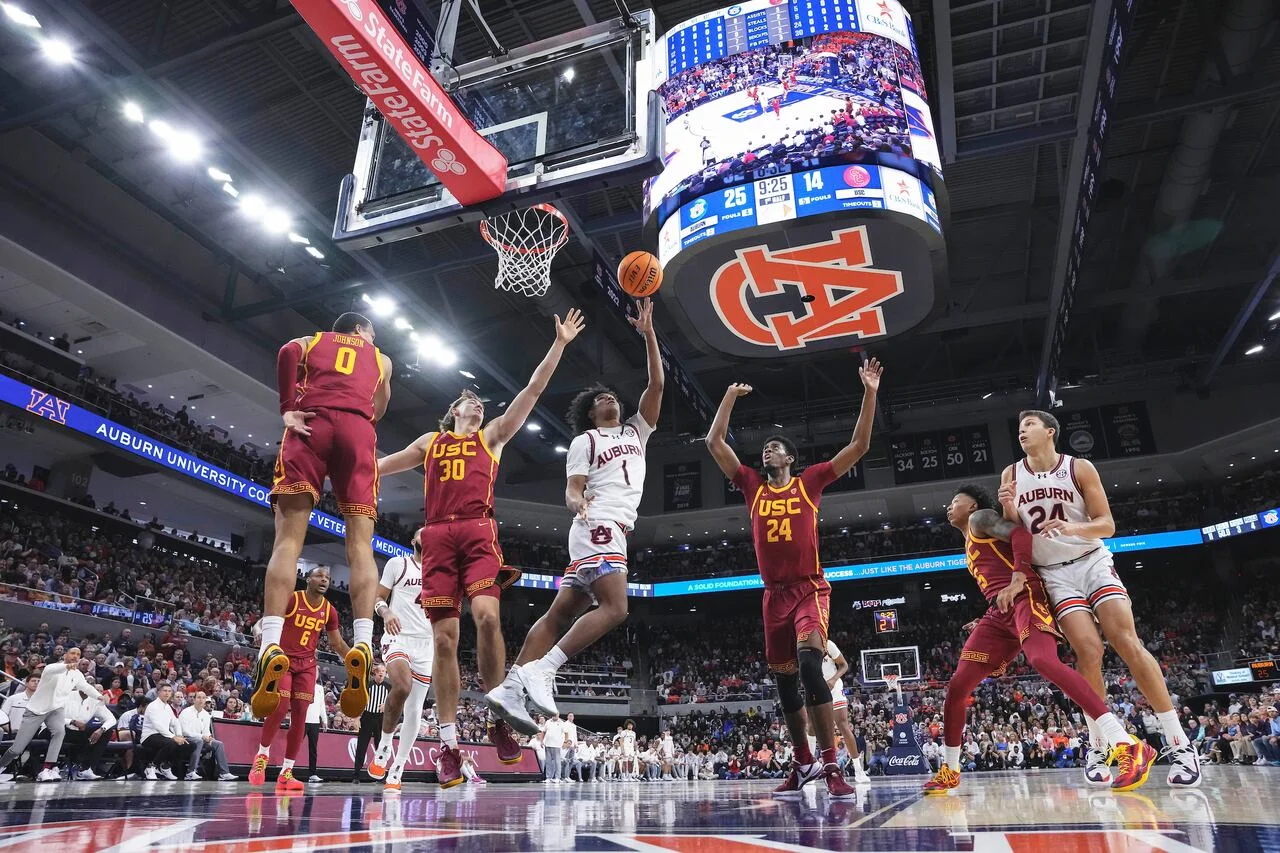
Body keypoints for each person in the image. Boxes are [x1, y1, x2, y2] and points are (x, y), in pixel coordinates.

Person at [377, 309, 586, 787]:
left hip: (477, 532)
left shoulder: (492, 438)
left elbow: (531, 391)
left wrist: (558, 344)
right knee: (444, 641)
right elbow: (377, 467)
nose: (476, 404)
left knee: (488, 617)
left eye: (480, 402)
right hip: (436, 536)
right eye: (468, 401)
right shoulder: (430, 442)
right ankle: (450, 746)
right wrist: (337, 459)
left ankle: (498, 715)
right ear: (454, 411)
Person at [704, 357, 882, 800]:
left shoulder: (809, 483)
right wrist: (727, 397)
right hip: (773, 596)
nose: (768, 451)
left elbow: (859, 445)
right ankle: (803, 764)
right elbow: (714, 442)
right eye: (765, 448)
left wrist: (870, 392)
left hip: (809, 589)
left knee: (808, 665)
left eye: (775, 447)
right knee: (784, 682)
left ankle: (831, 764)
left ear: (790, 458)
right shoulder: (752, 486)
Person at [999, 410, 1201, 787]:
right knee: (1088, 652)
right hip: (1053, 574)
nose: (1022, 432)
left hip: (1091, 560)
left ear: (1050, 431)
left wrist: (1071, 526)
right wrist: (1009, 510)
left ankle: (1180, 744)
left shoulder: (1079, 468)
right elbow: (1016, 532)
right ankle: (1099, 744)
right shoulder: (1011, 474)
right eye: (1019, 428)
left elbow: (1107, 524)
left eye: (1029, 425)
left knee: (1126, 641)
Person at [489, 300, 661, 724]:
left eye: (612, 395)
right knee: (616, 608)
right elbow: (572, 488)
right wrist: (577, 503)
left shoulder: (636, 431)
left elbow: (656, 385)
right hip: (598, 522)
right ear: (590, 413)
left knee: (560, 613)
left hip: (606, 528)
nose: (609, 398)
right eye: (600, 398)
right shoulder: (586, 441)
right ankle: (543, 669)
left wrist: (649, 335)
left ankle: (509, 689)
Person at [921, 484, 1156, 794]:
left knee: (1043, 660)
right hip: (999, 612)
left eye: (955, 501)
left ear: (973, 505)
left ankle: (1126, 744)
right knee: (958, 686)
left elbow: (1020, 535)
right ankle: (950, 770)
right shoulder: (969, 538)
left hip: (1025, 596)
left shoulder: (980, 518)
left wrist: (1018, 577)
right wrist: (986, 615)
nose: (949, 507)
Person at [254, 313, 393, 723]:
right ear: (361, 331)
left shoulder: (312, 341)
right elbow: (379, 407)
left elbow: (286, 352)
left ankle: (270, 644)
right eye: (372, 333)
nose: (372, 339)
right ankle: (363, 641)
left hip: (310, 423)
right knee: (361, 546)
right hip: (358, 432)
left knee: (287, 542)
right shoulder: (381, 359)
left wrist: (287, 409)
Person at [249, 566, 352, 793]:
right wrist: (258, 632)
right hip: (283, 661)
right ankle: (262, 756)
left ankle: (287, 772)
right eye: (319, 576)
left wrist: (354, 660)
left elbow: (336, 643)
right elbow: (262, 622)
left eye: (327, 578)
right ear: (307, 579)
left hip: (307, 665)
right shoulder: (292, 599)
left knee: (301, 716)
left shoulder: (329, 610)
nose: (324, 580)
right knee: (280, 706)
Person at [365, 530, 435, 791]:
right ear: (413, 542)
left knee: (415, 710)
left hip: (426, 645)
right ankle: (384, 745)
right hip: (398, 637)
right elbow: (378, 597)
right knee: (403, 686)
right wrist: (386, 613)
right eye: (422, 534)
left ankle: (399, 767)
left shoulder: (443, 572)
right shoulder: (398, 564)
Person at [0, 648, 102, 783]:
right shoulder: (51, 668)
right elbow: (54, 669)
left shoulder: (77, 674)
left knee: (60, 732)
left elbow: (85, 687)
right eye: (73, 653)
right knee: (17, 749)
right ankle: (1, 766)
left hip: (56, 709)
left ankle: (47, 769)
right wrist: (66, 666)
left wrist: (98, 696)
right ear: (65, 655)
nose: (75, 656)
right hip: (37, 710)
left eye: (78, 654)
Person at [807, 638, 871, 783]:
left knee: (843, 725)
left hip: (833, 687)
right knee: (811, 727)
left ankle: (858, 770)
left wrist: (833, 679)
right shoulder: (802, 647)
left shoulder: (828, 644)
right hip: (816, 688)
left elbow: (844, 665)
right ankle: (810, 771)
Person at [139, 683, 194, 780]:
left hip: (163, 736)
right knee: (171, 742)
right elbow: (158, 726)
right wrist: (173, 737)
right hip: (149, 736)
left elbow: (175, 722)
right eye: (165, 691)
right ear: (159, 692)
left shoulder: (167, 707)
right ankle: (151, 767)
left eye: (169, 691)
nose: (167, 693)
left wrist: (179, 735)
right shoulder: (153, 706)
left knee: (190, 745)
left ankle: (166, 766)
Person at [177, 691, 236, 781]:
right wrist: (202, 736)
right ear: (194, 699)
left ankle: (224, 773)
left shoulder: (206, 714)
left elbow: (206, 731)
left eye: (203, 698)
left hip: (201, 739)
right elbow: (185, 731)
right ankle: (190, 772)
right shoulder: (186, 712)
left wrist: (209, 737)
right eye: (199, 697)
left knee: (218, 744)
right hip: (186, 739)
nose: (201, 700)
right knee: (199, 741)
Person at [62, 687, 116, 780]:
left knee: (107, 731)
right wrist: (72, 721)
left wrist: (101, 730)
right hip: (63, 729)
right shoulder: (67, 696)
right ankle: (76, 766)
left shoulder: (95, 700)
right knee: (81, 736)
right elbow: (53, 717)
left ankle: (88, 769)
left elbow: (112, 719)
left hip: (80, 732)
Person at [352, 665, 389, 783]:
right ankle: (356, 775)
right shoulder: (367, 685)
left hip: (380, 718)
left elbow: (396, 702)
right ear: (375, 673)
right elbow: (360, 701)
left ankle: (380, 775)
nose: (381, 673)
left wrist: (387, 705)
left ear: (385, 673)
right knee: (362, 746)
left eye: (383, 671)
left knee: (381, 747)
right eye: (379, 671)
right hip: (367, 716)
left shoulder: (389, 687)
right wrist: (357, 717)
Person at [305, 681, 326, 783]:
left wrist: (324, 720)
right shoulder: (303, 683)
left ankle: (312, 774)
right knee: (294, 747)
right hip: (302, 720)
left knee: (313, 749)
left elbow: (322, 705)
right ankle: (287, 770)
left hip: (315, 722)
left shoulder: (320, 688)